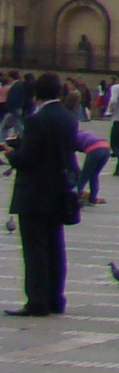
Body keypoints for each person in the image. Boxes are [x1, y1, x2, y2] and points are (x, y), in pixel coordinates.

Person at [7, 74, 77, 316]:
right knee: (55, 247)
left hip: (35, 193)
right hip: (59, 190)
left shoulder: (37, 119)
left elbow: (28, 158)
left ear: (37, 94)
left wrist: (10, 152)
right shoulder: (68, 117)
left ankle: (37, 301)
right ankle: (56, 299)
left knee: (35, 250)